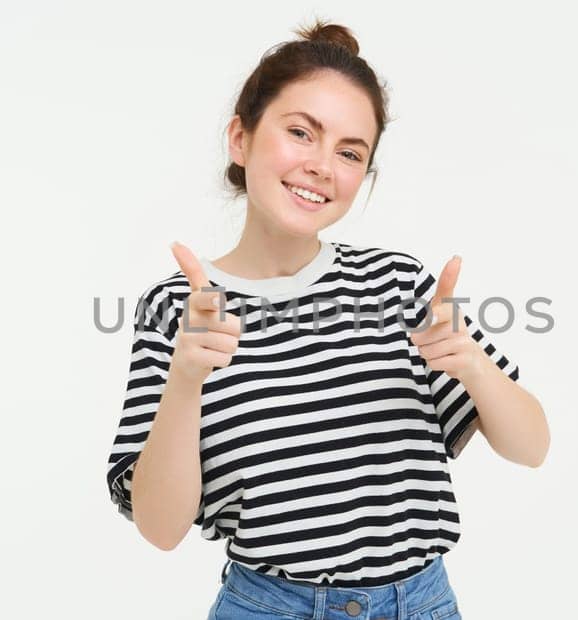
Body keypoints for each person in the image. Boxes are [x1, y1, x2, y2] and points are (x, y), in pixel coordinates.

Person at [105, 19, 549, 619]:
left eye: (349, 152)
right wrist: (185, 381)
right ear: (241, 138)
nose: (321, 166)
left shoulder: (397, 284)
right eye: (299, 133)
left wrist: (470, 362)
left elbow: (532, 447)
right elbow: (160, 529)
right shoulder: (177, 308)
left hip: (419, 604)